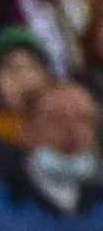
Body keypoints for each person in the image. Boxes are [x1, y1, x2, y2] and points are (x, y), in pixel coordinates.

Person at [8, 80, 101, 215]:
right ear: (26, 130)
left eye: (84, 120)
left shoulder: (98, 195)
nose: (73, 131)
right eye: (57, 119)